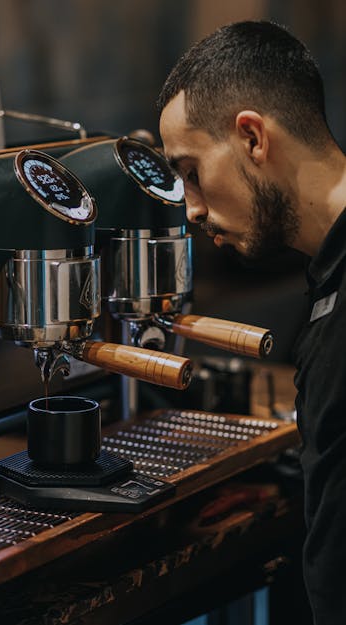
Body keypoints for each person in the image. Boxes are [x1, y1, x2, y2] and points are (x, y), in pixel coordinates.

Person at [157, 20, 346, 625]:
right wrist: (299, 474)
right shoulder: (328, 279)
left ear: (252, 137)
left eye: (190, 170)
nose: (191, 207)